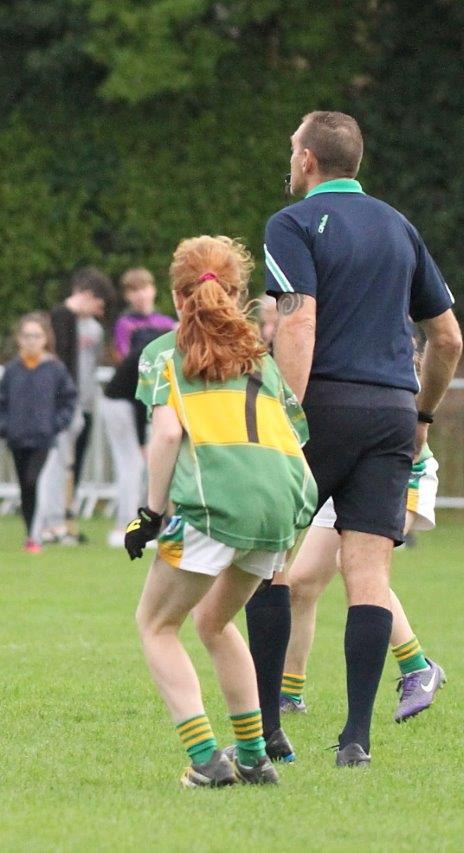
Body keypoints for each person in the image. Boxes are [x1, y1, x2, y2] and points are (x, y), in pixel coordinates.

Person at [258, 110, 460, 767]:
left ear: (310, 161)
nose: (289, 159)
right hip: (393, 412)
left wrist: (286, 414)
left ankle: (270, 729)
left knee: (270, 558)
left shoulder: (290, 224)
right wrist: (422, 415)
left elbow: (297, 322)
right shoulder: (400, 227)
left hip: (324, 407)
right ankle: (355, 739)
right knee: (368, 572)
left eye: (293, 149)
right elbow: (448, 338)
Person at [127, 235, 316, 788]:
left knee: (156, 625)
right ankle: (255, 755)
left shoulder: (165, 351)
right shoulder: (262, 359)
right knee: (215, 621)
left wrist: (149, 514)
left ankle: (208, 759)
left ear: (176, 294)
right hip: (281, 507)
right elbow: (296, 433)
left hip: (216, 504)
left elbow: (166, 436)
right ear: (236, 296)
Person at [281, 440, 443, 723]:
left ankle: (417, 667)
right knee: (301, 583)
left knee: (357, 562)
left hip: (396, 467)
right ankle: (289, 695)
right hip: (347, 470)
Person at [34, 269, 111, 544]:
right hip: (60, 405)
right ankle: (49, 522)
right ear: (88, 296)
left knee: (68, 466)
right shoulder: (58, 318)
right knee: (56, 464)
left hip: (81, 403)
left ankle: (62, 520)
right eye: (99, 304)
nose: (100, 312)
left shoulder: (89, 327)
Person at [101, 269, 175, 547]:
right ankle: (126, 526)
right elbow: (133, 382)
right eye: (135, 290)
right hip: (123, 401)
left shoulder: (166, 324)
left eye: (145, 288)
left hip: (146, 401)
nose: (141, 295)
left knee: (152, 465)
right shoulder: (127, 327)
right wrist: (141, 438)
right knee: (131, 464)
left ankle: (148, 523)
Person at [0, 313, 77, 553]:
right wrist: (4, 427)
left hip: (44, 438)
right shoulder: (12, 369)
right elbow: (0, 402)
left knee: (35, 480)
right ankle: (30, 534)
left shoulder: (55, 368)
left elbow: (68, 400)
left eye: (36, 336)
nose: (31, 341)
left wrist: (56, 424)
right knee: (25, 487)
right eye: (27, 336)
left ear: (45, 339)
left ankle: (39, 532)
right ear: (19, 339)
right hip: (18, 438)